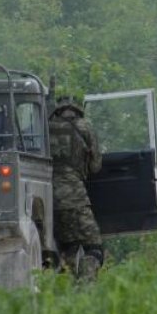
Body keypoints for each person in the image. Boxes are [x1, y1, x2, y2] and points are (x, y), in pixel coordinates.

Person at [48, 96, 104, 281]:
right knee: (93, 247)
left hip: (48, 199)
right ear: (78, 108)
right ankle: (86, 286)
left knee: (68, 246)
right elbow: (96, 166)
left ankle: (67, 287)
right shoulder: (84, 127)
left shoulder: (45, 127)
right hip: (75, 197)